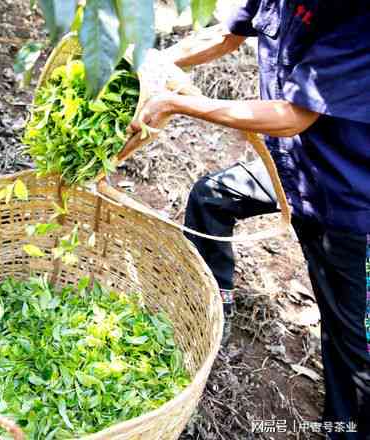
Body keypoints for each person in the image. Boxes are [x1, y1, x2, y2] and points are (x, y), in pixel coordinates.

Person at [126, 1, 370, 439]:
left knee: (349, 348)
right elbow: (226, 35)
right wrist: (152, 63)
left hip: (346, 197)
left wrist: (178, 104)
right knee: (212, 198)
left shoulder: (357, 18)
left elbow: (293, 116)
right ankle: (212, 306)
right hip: (292, 167)